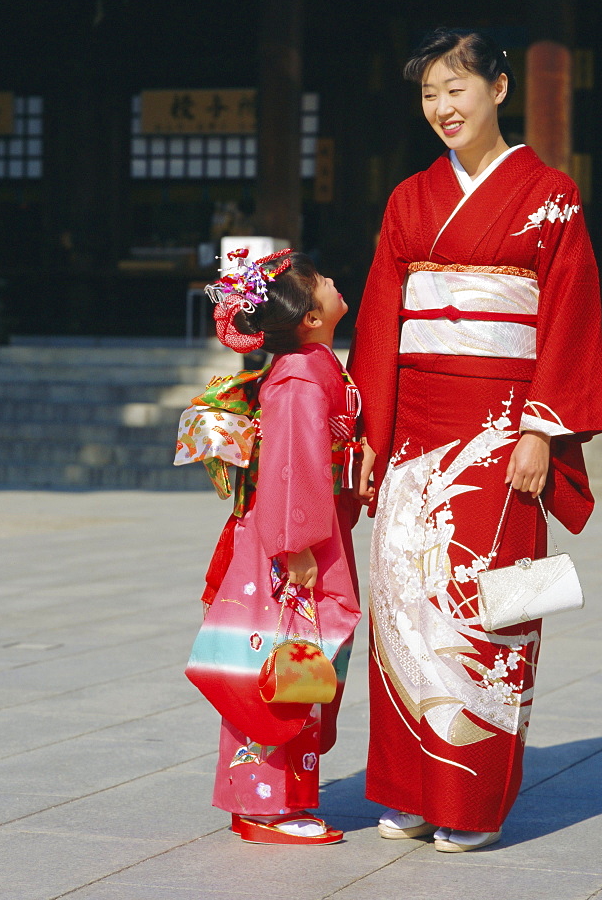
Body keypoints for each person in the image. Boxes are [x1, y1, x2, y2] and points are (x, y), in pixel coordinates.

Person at [348, 28, 602, 853]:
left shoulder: (551, 195)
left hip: (499, 432)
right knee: (402, 605)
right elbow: (382, 323)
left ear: (500, 87)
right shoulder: (408, 199)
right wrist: (369, 433)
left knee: (480, 610)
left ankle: (469, 801)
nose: (442, 108)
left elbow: (569, 315)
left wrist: (543, 428)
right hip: (412, 430)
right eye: (429, 94)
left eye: (456, 88)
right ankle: (407, 789)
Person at [184, 249, 362, 845]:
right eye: (325, 281)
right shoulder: (298, 377)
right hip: (289, 545)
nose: (337, 281)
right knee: (278, 669)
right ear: (310, 317)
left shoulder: (312, 365)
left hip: (305, 535)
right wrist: (299, 545)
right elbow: (292, 466)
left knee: (299, 668)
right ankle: (266, 808)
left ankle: (277, 802)